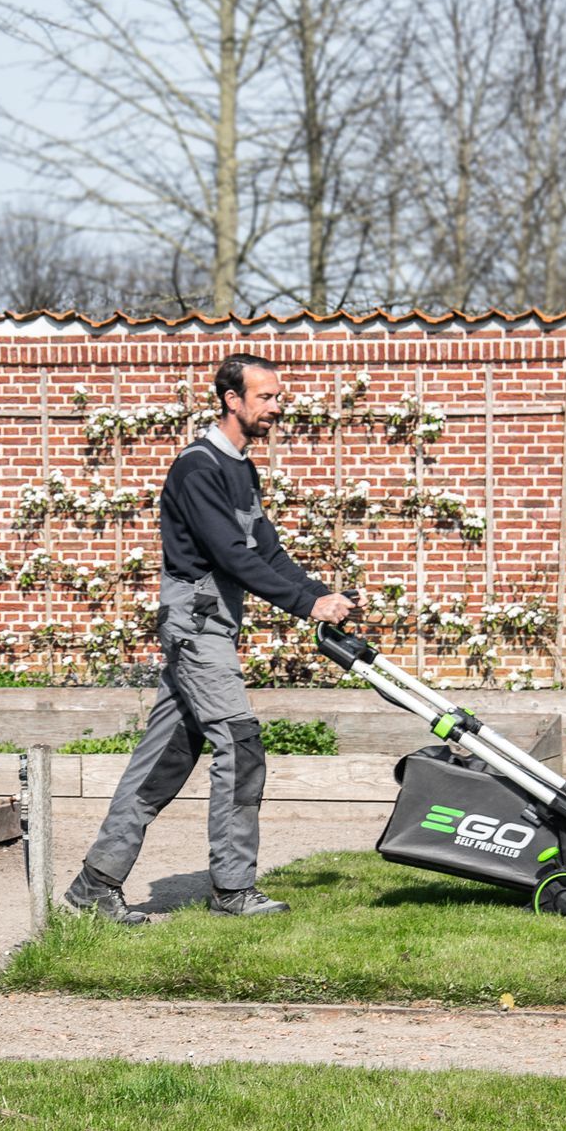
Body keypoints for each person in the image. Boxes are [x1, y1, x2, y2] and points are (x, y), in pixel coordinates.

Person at [66, 353, 358, 924]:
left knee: (165, 761)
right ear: (232, 400)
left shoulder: (239, 468)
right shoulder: (197, 468)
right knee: (240, 742)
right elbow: (229, 554)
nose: (279, 406)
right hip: (197, 625)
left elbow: (265, 550)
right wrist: (304, 603)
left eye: (279, 396)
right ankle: (233, 888)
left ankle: (93, 886)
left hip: (212, 623)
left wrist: (322, 596)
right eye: (267, 397)